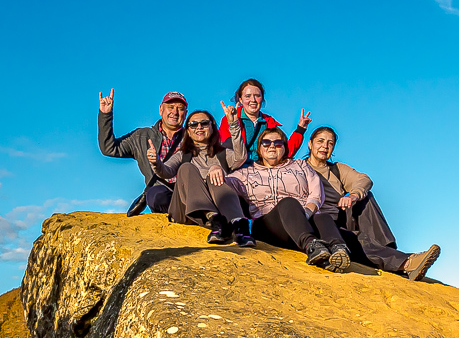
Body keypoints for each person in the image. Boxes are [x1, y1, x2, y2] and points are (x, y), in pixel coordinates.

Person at [304, 126, 441, 282]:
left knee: (366, 197)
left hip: (341, 215)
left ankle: (389, 252)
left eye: (330, 143)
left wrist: (353, 195)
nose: (325, 146)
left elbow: (364, 179)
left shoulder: (337, 169)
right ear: (310, 144)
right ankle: (406, 262)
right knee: (355, 238)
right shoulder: (300, 168)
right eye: (320, 141)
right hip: (322, 223)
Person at [226, 126, 346, 271]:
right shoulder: (246, 173)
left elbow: (316, 194)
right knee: (288, 202)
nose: (272, 146)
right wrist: (216, 169)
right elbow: (222, 184)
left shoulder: (300, 165)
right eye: (266, 143)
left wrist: (306, 214)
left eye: (278, 143)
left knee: (323, 217)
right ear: (259, 148)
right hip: (268, 225)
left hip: (301, 220)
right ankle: (311, 245)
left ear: (284, 147)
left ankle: (337, 249)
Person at [149, 102, 254, 246]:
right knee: (186, 168)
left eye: (204, 123)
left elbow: (240, 157)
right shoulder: (182, 155)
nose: (199, 127)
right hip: (186, 212)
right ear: (188, 131)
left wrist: (234, 124)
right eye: (193, 124)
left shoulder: (223, 154)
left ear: (212, 127)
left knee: (215, 176)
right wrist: (156, 163)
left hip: (221, 211)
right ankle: (214, 218)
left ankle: (239, 225)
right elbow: (165, 172)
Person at [97, 88, 187, 216]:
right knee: (155, 195)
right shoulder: (142, 136)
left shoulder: (194, 137)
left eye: (180, 108)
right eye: (171, 107)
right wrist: (105, 115)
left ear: (186, 113)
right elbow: (109, 148)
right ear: (161, 109)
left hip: (188, 191)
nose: (175, 112)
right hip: (161, 193)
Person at [218, 78, 312, 163]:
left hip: (264, 171)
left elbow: (285, 151)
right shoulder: (230, 119)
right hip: (237, 169)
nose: (253, 100)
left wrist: (300, 129)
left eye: (257, 95)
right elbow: (223, 149)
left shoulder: (269, 123)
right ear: (240, 100)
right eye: (248, 96)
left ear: (262, 99)